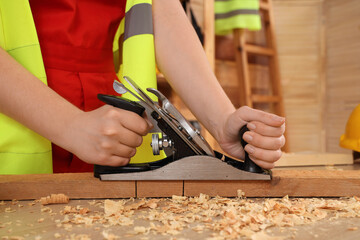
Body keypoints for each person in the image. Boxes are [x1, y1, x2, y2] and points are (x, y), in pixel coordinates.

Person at [0, 0, 285, 174]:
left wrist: (222, 122)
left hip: (112, 126)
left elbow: (159, 11)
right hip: (19, 118)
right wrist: (70, 125)